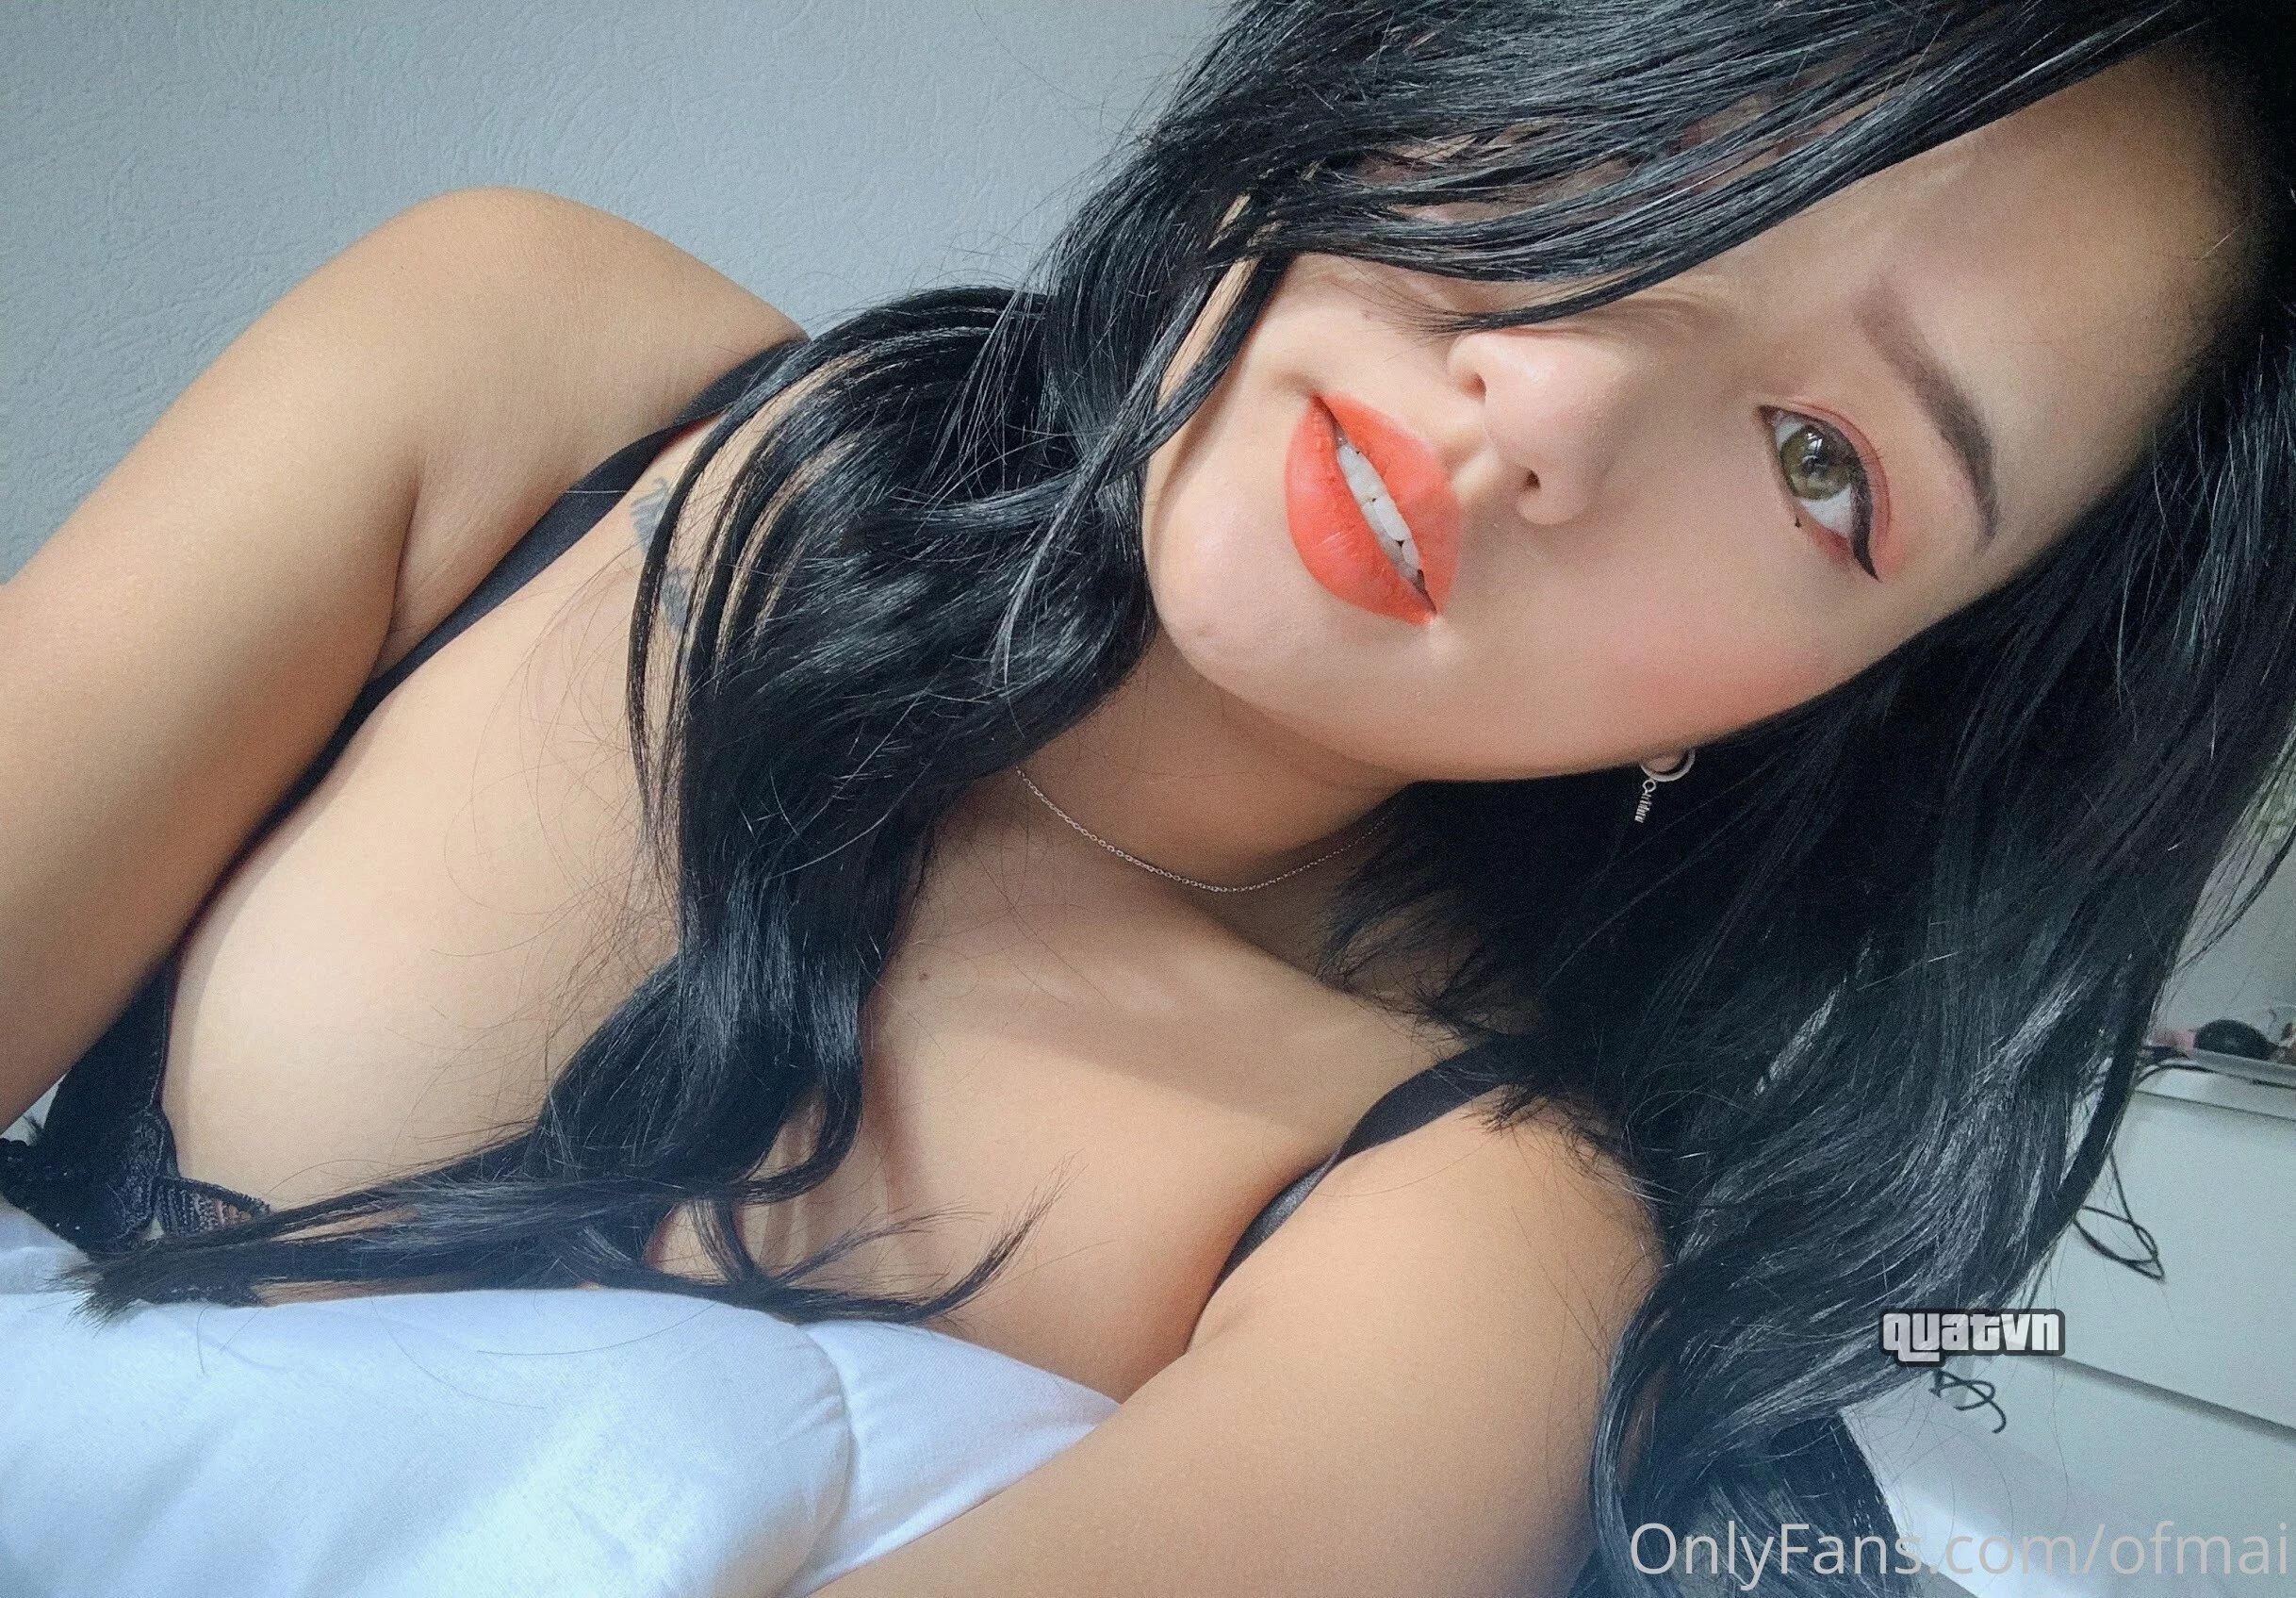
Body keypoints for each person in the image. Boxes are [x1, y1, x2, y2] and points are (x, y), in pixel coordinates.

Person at [2, 1, 2290, 1592]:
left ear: (1859, 700)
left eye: (1821, 464)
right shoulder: (529, 369)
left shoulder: (1470, 1232)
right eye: (1668, 132)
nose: (1549, 404)